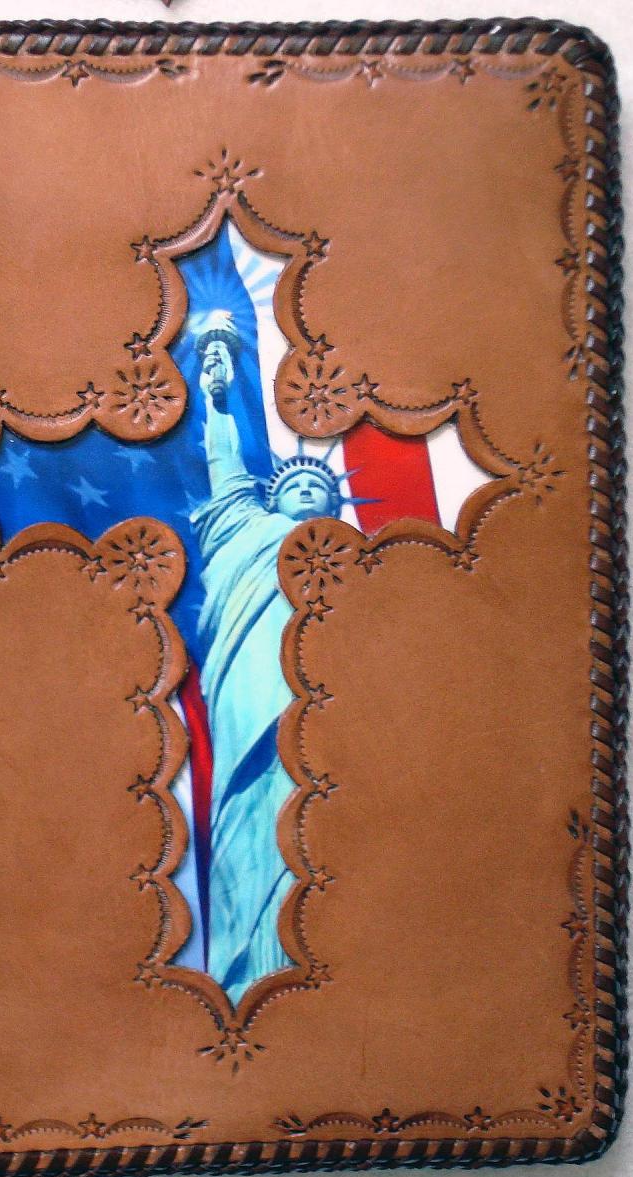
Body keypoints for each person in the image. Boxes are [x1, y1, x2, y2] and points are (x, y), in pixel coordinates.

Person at [191, 328, 344, 1004]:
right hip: (248, 687)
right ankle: (246, 975)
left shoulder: (356, 565)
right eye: (296, 484)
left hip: (329, 696)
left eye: (319, 487)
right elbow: (224, 468)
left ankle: (310, 965)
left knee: (322, 809)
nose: (307, 491)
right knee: (251, 806)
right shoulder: (248, 530)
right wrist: (217, 397)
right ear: (272, 499)